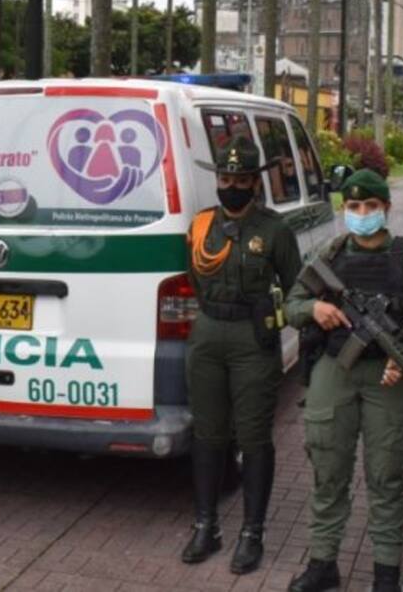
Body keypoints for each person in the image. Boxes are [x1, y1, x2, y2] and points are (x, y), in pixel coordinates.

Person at [286, 169, 403, 592]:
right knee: (328, 468)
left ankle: (386, 572)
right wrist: (314, 311)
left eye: (370, 206)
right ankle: (323, 563)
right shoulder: (329, 256)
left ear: (386, 209)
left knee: (387, 476)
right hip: (336, 368)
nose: (362, 214)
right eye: (353, 207)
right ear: (344, 209)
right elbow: (293, 302)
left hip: (389, 378)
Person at [179, 136, 302, 575]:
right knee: (208, 434)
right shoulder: (201, 226)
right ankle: (206, 525)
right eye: (225, 178)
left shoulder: (274, 230)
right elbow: (196, 279)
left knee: (252, 437)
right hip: (209, 333)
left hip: (253, 339)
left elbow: (297, 289)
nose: (231, 185)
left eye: (241, 179)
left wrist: (275, 323)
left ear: (255, 183)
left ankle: (252, 533)